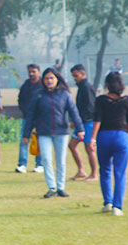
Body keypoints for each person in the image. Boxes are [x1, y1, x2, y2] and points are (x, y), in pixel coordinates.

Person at [21, 67, 84, 198]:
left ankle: (61, 187)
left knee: (61, 160)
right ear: (43, 80)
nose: (49, 81)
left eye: (51, 78)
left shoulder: (65, 94)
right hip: (44, 132)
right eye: (46, 78)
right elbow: (31, 114)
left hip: (62, 131)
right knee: (46, 159)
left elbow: (73, 112)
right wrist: (26, 134)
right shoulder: (39, 95)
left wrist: (80, 129)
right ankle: (52, 187)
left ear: (57, 79)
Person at [90, 71, 128, 215]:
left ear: (107, 84)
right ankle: (117, 207)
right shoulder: (127, 100)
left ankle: (107, 202)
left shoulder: (101, 100)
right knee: (120, 172)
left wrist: (92, 138)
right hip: (121, 135)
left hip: (104, 136)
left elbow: (97, 120)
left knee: (105, 170)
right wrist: (125, 134)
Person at [69, 64, 98, 182]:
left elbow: (90, 107)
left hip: (88, 122)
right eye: (73, 76)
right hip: (81, 123)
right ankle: (81, 170)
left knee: (89, 147)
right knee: (72, 145)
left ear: (83, 74)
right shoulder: (82, 87)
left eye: (76, 75)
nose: (74, 78)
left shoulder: (87, 87)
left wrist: (79, 122)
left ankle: (94, 174)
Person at [16, 64, 44, 173]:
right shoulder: (26, 85)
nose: (31, 74)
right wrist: (25, 111)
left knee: (40, 140)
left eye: (34, 71)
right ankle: (22, 164)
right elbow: (20, 99)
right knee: (24, 139)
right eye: (30, 72)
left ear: (39, 72)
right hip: (27, 117)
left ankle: (40, 164)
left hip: (40, 117)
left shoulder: (42, 85)